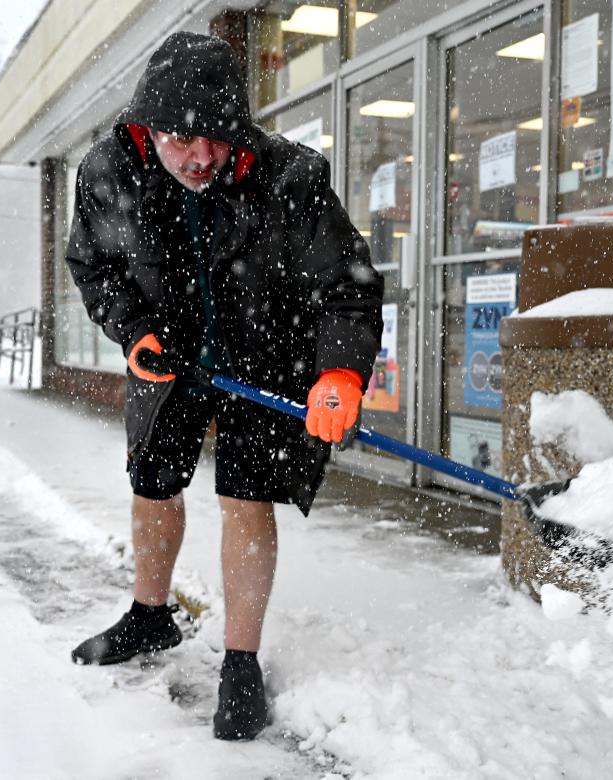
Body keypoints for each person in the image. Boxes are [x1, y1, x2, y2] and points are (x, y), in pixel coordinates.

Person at [64, 32, 383, 741]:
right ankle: (150, 616)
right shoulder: (108, 170)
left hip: (267, 357)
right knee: (152, 481)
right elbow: (93, 265)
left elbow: (347, 289)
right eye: (181, 136)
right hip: (171, 355)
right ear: (148, 128)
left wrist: (337, 373)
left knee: (246, 497)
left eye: (215, 136)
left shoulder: (289, 178)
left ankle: (241, 662)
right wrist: (134, 329)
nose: (200, 156)